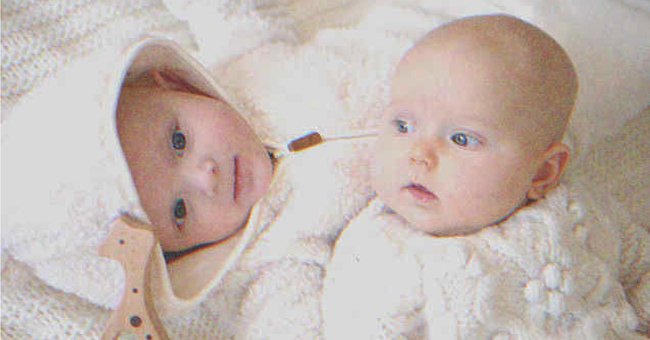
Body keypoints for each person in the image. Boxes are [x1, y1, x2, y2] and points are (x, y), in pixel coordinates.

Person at [322, 14, 650, 339]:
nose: (419, 154)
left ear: (542, 172)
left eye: (461, 139)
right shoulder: (376, 251)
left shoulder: (579, 211)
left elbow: (639, 265)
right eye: (403, 126)